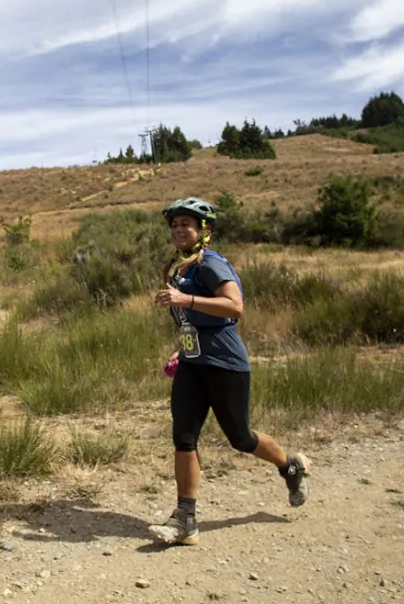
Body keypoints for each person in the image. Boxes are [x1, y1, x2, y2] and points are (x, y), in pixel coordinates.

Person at [148, 196, 310, 546]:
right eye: (175, 225)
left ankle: (290, 466)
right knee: (184, 437)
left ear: (203, 230)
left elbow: (235, 307)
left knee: (241, 438)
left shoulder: (211, 264)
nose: (179, 230)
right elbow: (194, 320)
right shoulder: (182, 269)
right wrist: (182, 347)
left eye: (186, 225)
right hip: (193, 365)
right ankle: (185, 519)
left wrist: (185, 300)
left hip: (225, 364)